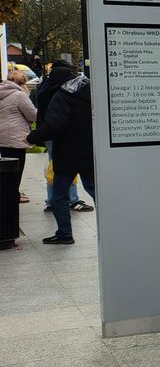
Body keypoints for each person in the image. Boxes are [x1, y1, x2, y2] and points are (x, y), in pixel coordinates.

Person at [26, 70, 95, 245]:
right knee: (96, 191)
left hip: (67, 154)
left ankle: (64, 233)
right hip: (89, 152)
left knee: (59, 195)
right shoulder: (92, 92)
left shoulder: (62, 95)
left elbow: (55, 125)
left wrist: (32, 137)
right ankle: (115, 226)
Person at [34, 61, 91, 213]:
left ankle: (52, 201)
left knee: (54, 168)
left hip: (50, 134)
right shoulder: (62, 91)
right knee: (67, 170)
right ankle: (72, 199)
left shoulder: (45, 87)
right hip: (63, 136)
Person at [0, 68, 36, 207]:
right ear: (21, 83)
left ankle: (7, 193)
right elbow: (32, 114)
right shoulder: (19, 95)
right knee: (17, 169)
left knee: (5, 168)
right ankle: (13, 195)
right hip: (15, 137)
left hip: (2, 137)